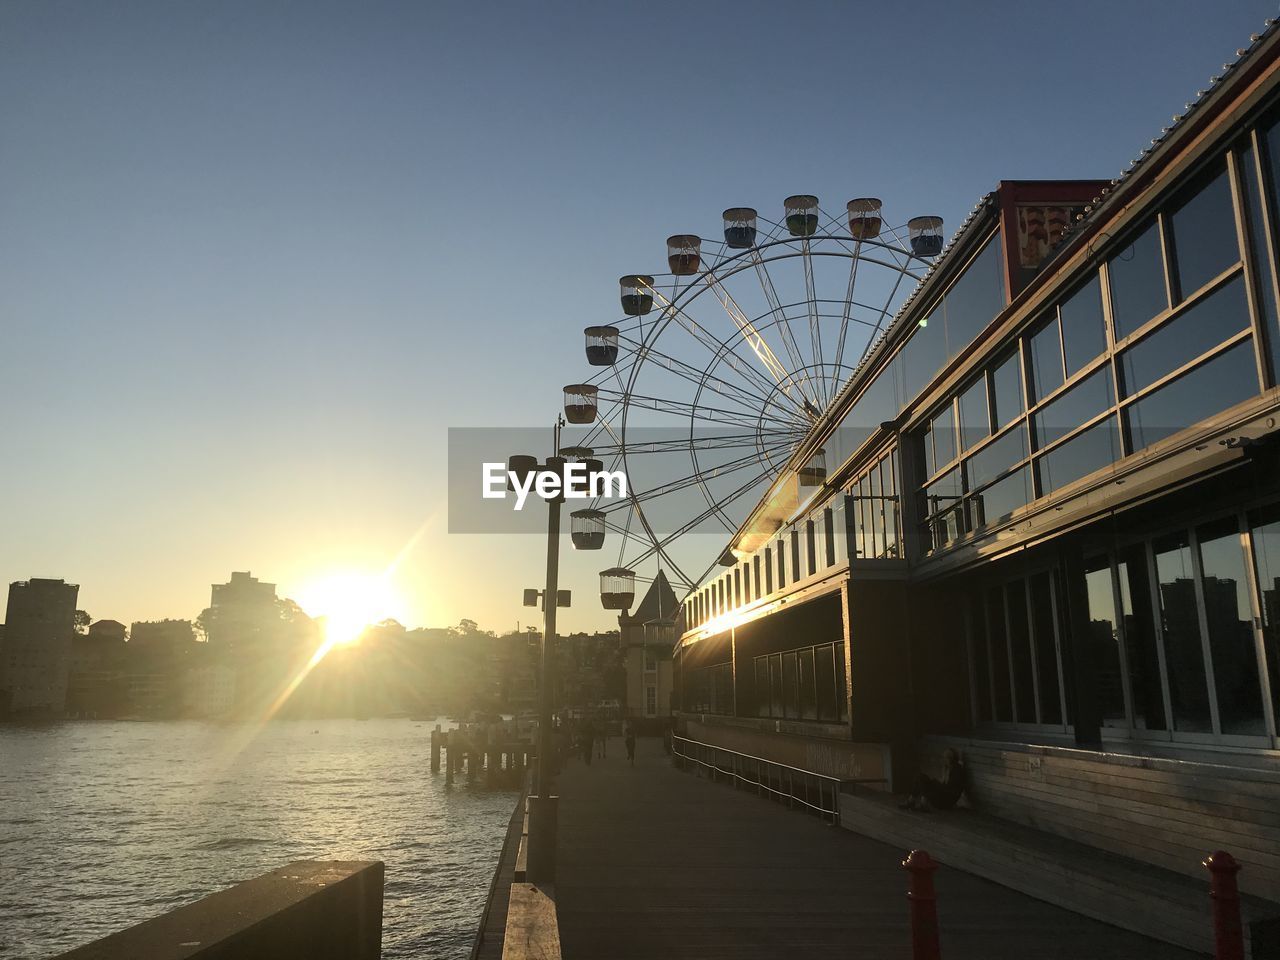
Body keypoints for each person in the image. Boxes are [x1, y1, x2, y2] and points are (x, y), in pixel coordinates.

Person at [899, 748, 966, 812]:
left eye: (945, 758)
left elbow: (949, 788)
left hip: (946, 801)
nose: (943, 760)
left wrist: (935, 783)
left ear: (951, 759)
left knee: (923, 779)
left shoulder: (957, 770)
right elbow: (944, 785)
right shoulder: (948, 768)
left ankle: (919, 803)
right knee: (921, 776)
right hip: (943, 795)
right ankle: (913, 801)